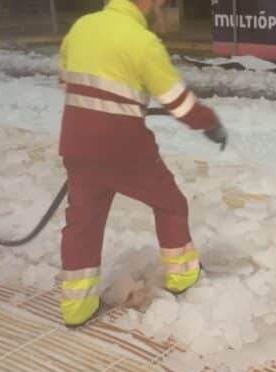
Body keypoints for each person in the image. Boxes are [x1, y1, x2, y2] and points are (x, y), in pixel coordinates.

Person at [58, 0, 227, 327]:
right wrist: (209, 123)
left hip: (77, 145)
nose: (162, 7)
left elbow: (68, 81)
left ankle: (76, 308)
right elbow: (178, 102)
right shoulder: (142, 42)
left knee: (82, 223)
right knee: (171, 205)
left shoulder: (81, 28)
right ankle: (183, 277)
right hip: (124, 149)